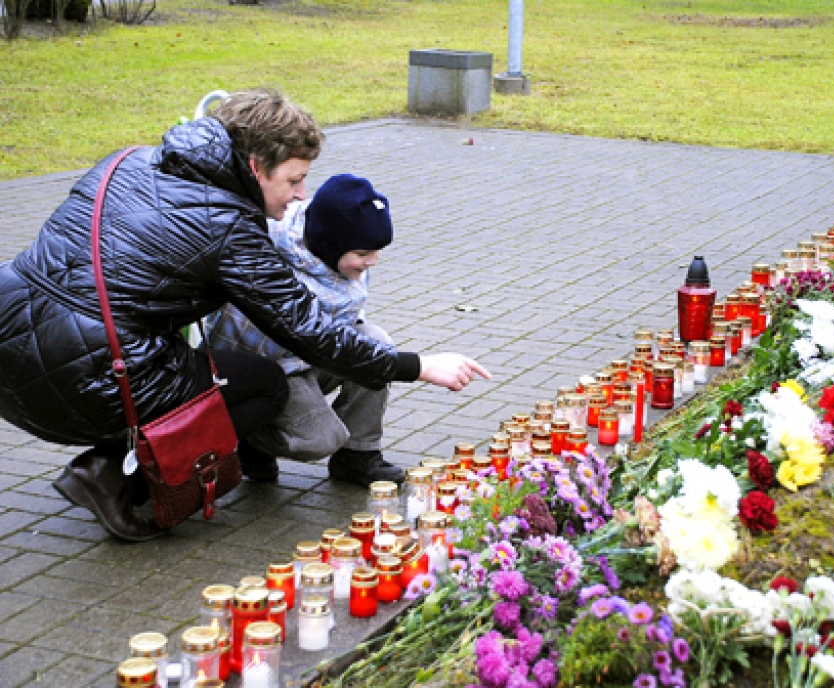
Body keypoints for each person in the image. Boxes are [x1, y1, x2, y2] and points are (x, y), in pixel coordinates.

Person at [0, 89, 489, 542]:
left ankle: (130, 456)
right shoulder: (230, 227)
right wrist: (418, 366)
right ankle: (114, 474)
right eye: (293, 180)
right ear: (255, 168)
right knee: (263, 385)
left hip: (10, 345)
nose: (302, 194)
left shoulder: (126, 161)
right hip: (85, 378)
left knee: (212, 368)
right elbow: (310, 332)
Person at [207, 174, 405, 486]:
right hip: (271, 367)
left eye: (376, 251)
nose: (373, 261)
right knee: (322, 438)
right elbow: (305, 337)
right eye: (363, 254)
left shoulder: (337, 257)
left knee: (377, 344)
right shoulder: (273, 262)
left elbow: (338, 332)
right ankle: (249, 439)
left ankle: (357, 455)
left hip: (309, 352)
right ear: (330, 244)